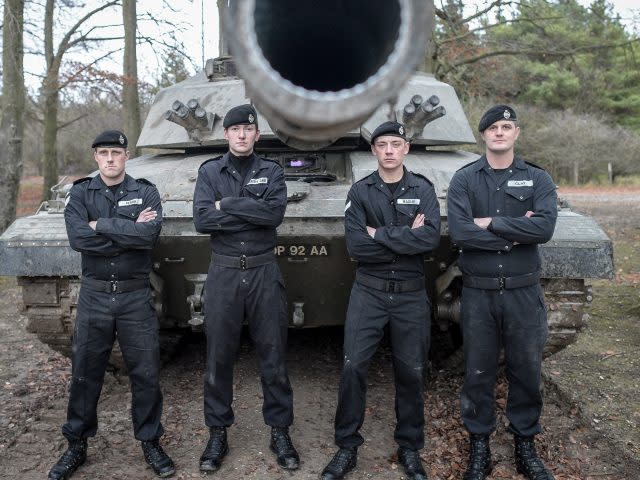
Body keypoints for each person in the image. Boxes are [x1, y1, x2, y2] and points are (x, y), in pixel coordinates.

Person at [49, 130, 175, 479]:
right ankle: (76, 444)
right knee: (85, 373)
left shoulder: (145, 191)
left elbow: (148, 237)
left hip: (135, 296)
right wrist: (127, 232)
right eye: (103, 152)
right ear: (95, 157)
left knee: (146, 373)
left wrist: (100, 225)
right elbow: (78, 239)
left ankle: (150, 440)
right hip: (96, 294)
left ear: (126, 155)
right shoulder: (80, 192)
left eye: (115, 152)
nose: (109, 159)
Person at [320, 121, 441, 480]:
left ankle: (410, 447)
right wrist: (407, 234)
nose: (389, 150)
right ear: (374, 151)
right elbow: (356, 246)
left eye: (396, 144)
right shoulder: (360, 192)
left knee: (411, 371)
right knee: (353, 366)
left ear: (406, 149)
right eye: (382, 144)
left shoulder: (423, 188)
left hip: (409, 295)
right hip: (369, 293)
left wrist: (380, 233)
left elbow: (430, 239)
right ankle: (346, 446)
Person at [447, 105, 557, 480]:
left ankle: (525, 445)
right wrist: (513, 235)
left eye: (506, 126)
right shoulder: (464, 180)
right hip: (478, 294)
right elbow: (460, 233)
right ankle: (480, 446)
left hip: (523, 293)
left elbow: (543, 229)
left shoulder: (537, 179)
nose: (499, 132)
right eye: (492, 127)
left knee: (526, 370)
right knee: (477, 372)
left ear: (516, 133)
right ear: (483, 134)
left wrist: (490, 223)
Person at [193, 104, 299, 473]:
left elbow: (274, 215)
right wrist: (250, 208)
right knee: (218, 358)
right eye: (234, 129)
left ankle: (280, 431)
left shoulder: (271, 171)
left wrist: (229, 205)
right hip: (223, 274)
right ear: (226, 134)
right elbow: (203, 219)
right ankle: (217, 432)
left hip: (262, 273)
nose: (241, 134)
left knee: (274, 355)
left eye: (247, 129)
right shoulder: (209, 172)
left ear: (257, 134)